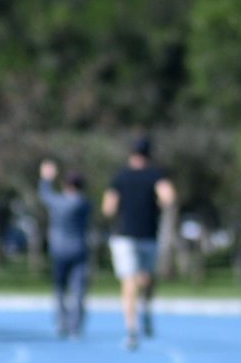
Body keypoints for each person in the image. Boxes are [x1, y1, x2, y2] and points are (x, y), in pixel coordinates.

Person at [102, 135, 176, 351]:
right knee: (144, 280)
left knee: (130, 283)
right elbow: (169, 198)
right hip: (147, 235)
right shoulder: (156, 175)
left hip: (125, 236)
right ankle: (141, 317)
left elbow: (108, 208)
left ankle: (131, 328)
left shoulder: (120, 177)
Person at [39, 158, 92, 338]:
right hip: (79, 250)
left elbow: (45, 194)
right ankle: (75, 326)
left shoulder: (59, 202)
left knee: (60, 289)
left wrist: (46, 178)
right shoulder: (85, 203)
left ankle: (62, 323)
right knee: (78, 291)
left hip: (59, 250)